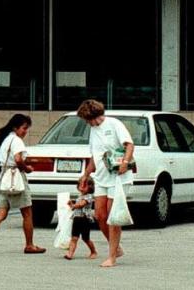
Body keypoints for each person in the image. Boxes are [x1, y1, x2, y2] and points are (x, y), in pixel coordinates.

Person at [76, 98, 135, 268]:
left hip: (118, 177)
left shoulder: (114, 124)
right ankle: (116, 247)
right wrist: (86, 175)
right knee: (100, 215)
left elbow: (129, 145)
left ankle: (112, 256)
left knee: (112, 216)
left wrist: (125, 162)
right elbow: (95, 156)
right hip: (101, 177)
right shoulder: (93, 130)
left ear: (94, 116)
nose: (87, 123)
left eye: (87, 120)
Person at [0, 114, 46, 256]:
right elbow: (17, 159)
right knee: (27, 212)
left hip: (3, 178)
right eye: (24, 128)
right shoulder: (17, 141)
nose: (25, 131)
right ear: (16, 127)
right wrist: (26, 168)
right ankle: (29, 245)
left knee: (2, 212)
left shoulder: (5, 140)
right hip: (15, 177)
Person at [63, 177, 98, 260]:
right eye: (80, 186)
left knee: (86, 238)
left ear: (90, 187)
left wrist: (74, 206)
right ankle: (70, 254)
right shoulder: (79, 196)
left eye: (84, 186)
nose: (81, 188)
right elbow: (77, 204)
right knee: (74, 238)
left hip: (85, 219)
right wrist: (71, 203)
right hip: (77, 219)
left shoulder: (89, 196)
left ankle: (93, 251)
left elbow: (81, 204)